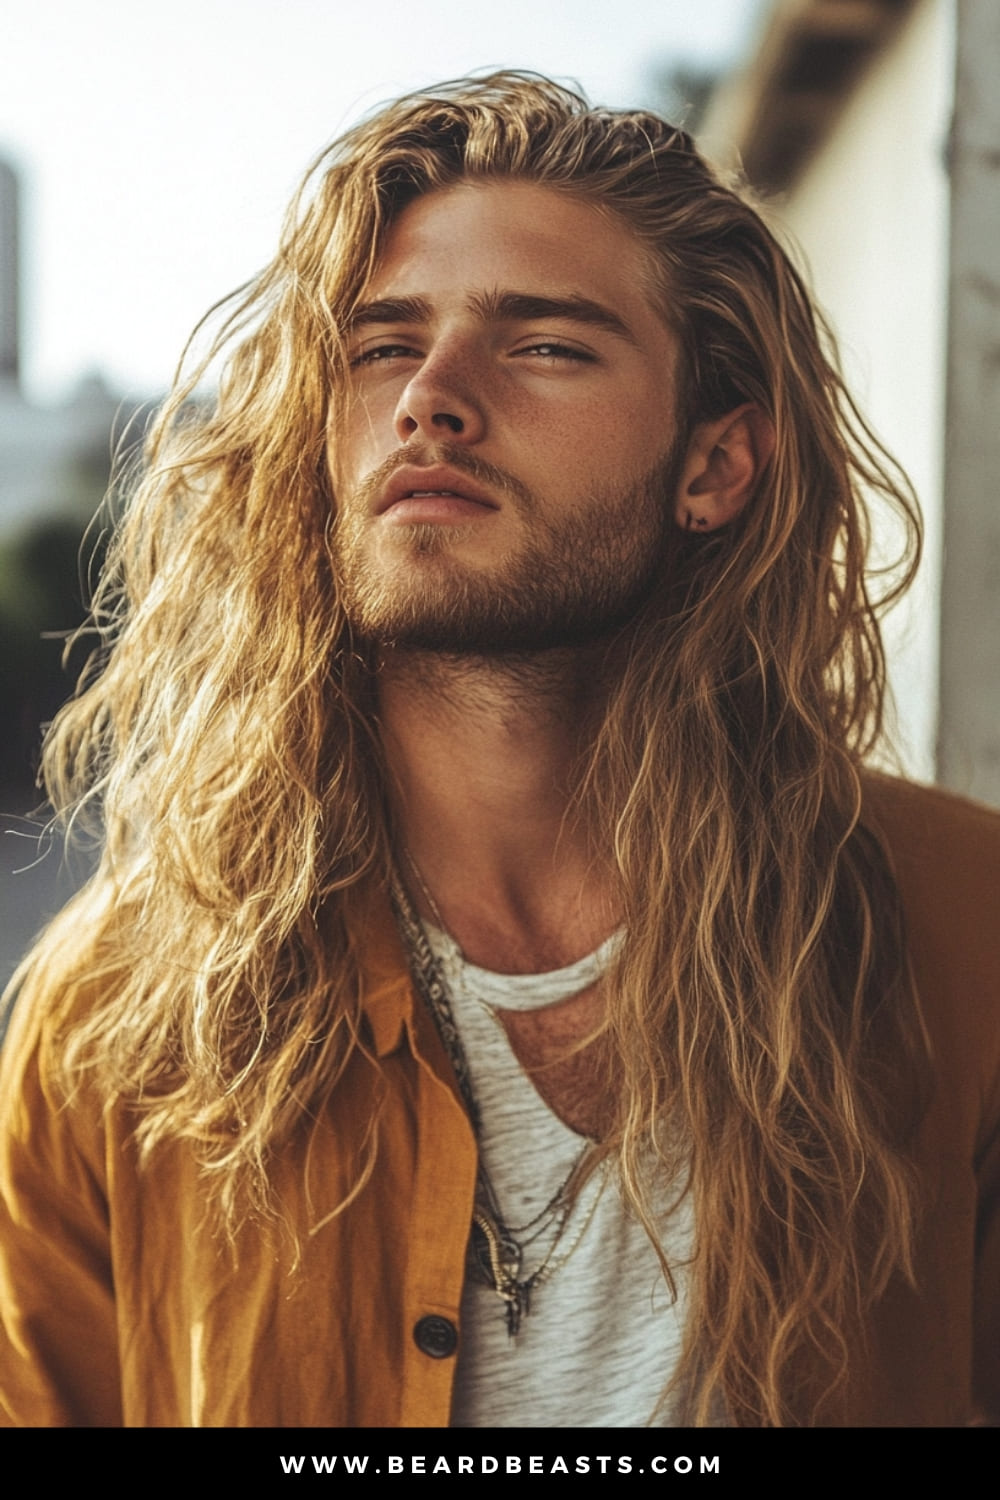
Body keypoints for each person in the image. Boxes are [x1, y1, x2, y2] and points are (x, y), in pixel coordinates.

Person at [0, 72, 997, 1430]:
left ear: (716, 467)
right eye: (380, 346)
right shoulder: (121, 1013)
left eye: (545, 347)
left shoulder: (967, 934)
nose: (433, 399)